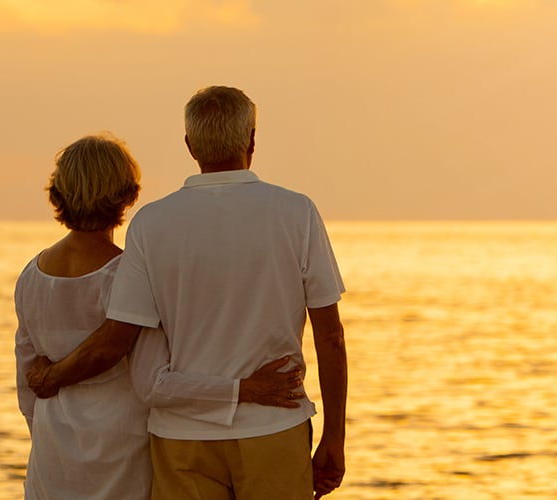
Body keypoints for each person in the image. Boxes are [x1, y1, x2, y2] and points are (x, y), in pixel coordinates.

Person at [27, 86, 348, 500]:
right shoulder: (297, 212)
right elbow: (331, 337)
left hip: (180, 438)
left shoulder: (150, 224)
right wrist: (334, 436)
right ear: (252, 139)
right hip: (272, 426)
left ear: (190, 146)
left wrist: (52, 376)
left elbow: (120, 336)